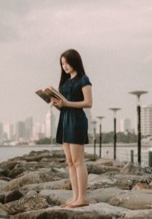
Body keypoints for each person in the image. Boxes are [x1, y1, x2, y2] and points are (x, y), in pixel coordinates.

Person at [50, 49, 93, 208]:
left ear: (75, 61)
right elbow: (65, 106)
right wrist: (58, 105)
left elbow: (88, 102)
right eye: (62, 64)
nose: (65, 66)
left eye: (67, 63)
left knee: (78, 161)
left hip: (76, 121)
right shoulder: (65, 82)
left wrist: (67, 104)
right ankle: (75, 197)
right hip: (65, 120)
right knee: (69, 162)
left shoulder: (83, 79)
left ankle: (82, 198)